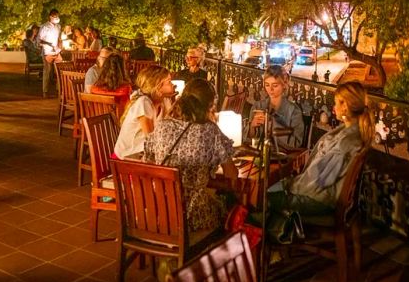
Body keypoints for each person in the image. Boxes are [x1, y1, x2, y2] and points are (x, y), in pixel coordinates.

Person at [267, 82, 374, 220]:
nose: (334, 107)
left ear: (345, 106)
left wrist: (291, 185)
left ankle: (272, 234)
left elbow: (321, 180)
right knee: (274, 188)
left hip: (318, 200)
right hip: (321, 194)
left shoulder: (345, 143)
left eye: (336, 103)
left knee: (261, 199)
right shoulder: (350, 133)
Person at [144, 78, 238, 233]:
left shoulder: (162, 126)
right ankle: (220, 254)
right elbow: (231, 174)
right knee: (232, 210)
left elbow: (148, 160)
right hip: (193, 216)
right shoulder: (210, 131)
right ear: (209, 105)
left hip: (158, 212)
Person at [115, 65, 174, 160]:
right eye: (169, 81)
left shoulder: (164, 101)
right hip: (127, 158)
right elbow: (151, 138)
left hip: (144, 153)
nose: (172, 84)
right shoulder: (143, 103)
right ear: (157, 86)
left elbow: (171, 127)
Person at [248, 65, 305, 150]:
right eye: (267, 85)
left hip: (283, 158)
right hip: (258, 154)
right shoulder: (258, 106)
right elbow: (249, 139)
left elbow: (296, 143)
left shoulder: (293, 111)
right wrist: (252, 126)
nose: (270, 89)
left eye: (275, 85)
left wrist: (273, 125)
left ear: (284, 85)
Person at [37, 9, 63, 97]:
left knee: (60, 71)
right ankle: (45, 92)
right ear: (50, 16)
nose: (57, 18)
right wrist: (49, 44)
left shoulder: (58, 26)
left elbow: (59, 38)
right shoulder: (44, 27)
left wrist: (60, 46)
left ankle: (59, 90)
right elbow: (38, 40)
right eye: (55, 16)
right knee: (47, 72)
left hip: (56, 52)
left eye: (58, 16)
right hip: (47, 52)